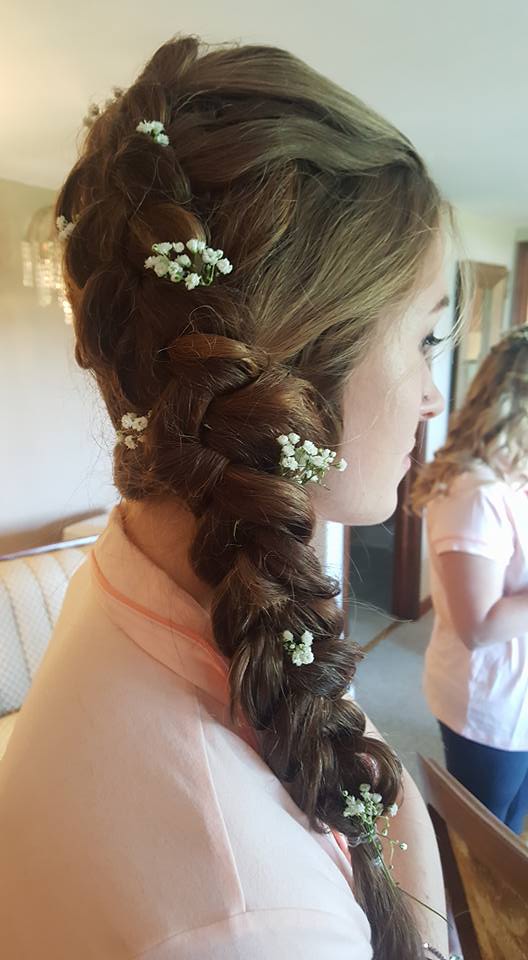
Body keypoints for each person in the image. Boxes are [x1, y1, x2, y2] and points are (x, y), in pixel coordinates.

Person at [0, 35, 455, 960]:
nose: (432, 395)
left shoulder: (140, 567)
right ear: (293, 362)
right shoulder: (254, 921)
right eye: (426, 340)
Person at [413, 326, 528, 836]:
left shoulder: (513, 474)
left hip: (517, 693)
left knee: (511, 826)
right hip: (490, 704)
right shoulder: (473, 494)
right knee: (478, 843)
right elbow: (478, 627)